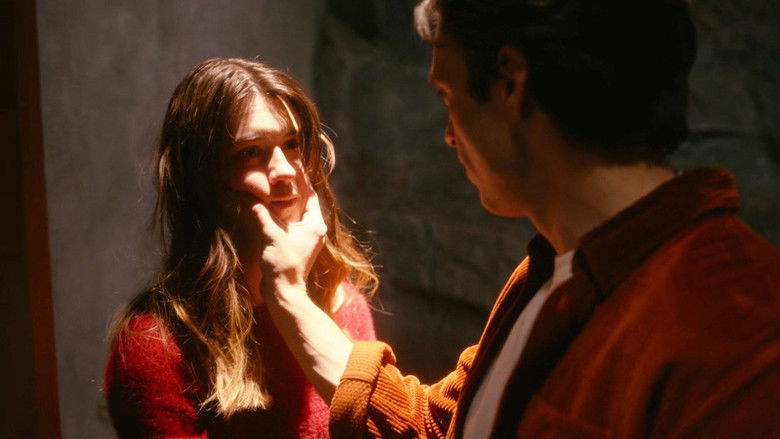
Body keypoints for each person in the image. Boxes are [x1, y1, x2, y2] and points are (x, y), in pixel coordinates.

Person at [253, 0, 780, 438]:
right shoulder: (551, 272)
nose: (449, 135)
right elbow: (436, 426)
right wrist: (289, 292)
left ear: (510, 81)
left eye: (447, 94)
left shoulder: (739, 328)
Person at [104, 58, 378, 438]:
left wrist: (291, 294)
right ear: (203, 178)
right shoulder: (156, 345)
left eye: (292, 144)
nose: (285, 170)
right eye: (251, 152)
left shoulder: (341, 303)